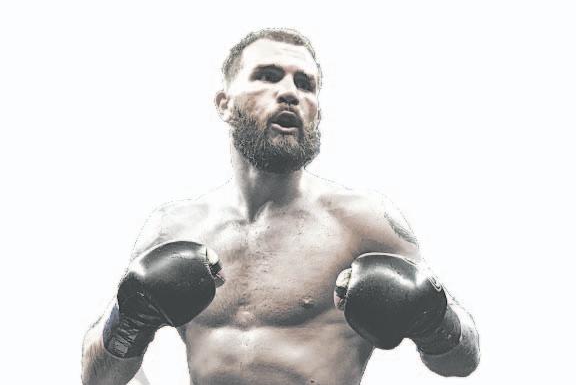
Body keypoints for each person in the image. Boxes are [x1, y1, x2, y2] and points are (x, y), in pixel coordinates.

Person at [81, 29, 480, 385]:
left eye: (305, 84)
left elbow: (461, 362)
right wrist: (128, 320)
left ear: (317, 111)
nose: (290, 92)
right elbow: (98, 378)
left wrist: (433, 320)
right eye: (268, 76)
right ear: (224, 103)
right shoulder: (173, 227)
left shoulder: (363, 221)